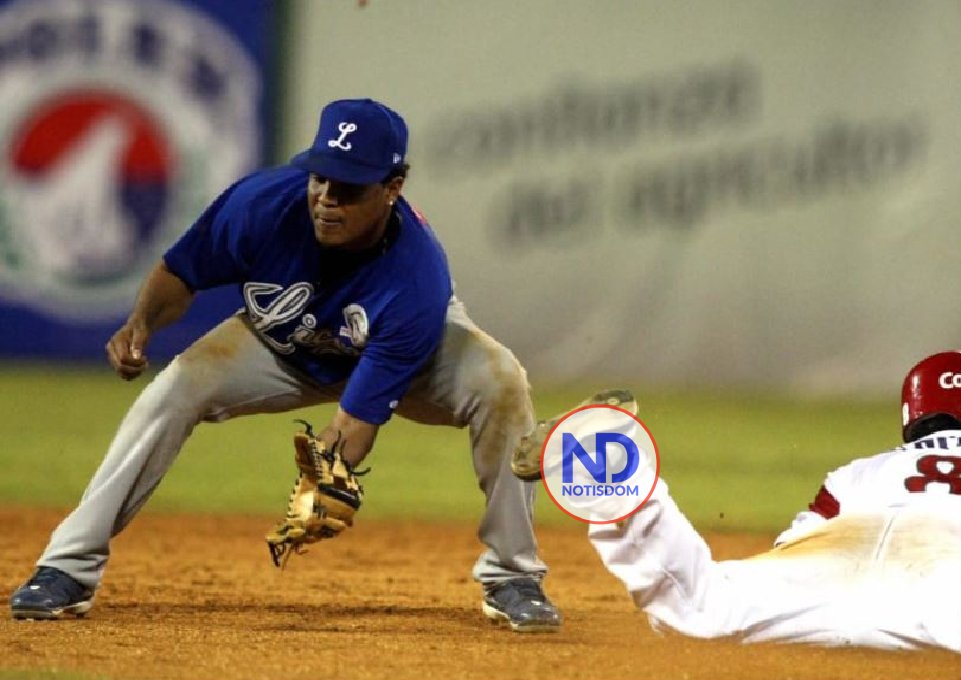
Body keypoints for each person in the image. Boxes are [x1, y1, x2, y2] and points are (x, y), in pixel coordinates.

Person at [10, 98, 561, 633]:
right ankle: (66, 567)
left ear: (392, 189)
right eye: (320, 177)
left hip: (402, 353)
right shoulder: (261, 205)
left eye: (348, 187)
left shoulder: (416, 280)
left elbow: (356, 425)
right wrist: (141, 324)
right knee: (172, 391)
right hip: (280, 344)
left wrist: (328, 475)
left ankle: (513, 576)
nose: (325, 198)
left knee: (500, 381)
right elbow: (180, 271)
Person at [542, 351, 961, 654]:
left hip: (815, 571)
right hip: (938, 582)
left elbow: (792, 547)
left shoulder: (861, 471)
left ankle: (622, 480)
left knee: (704, 603)